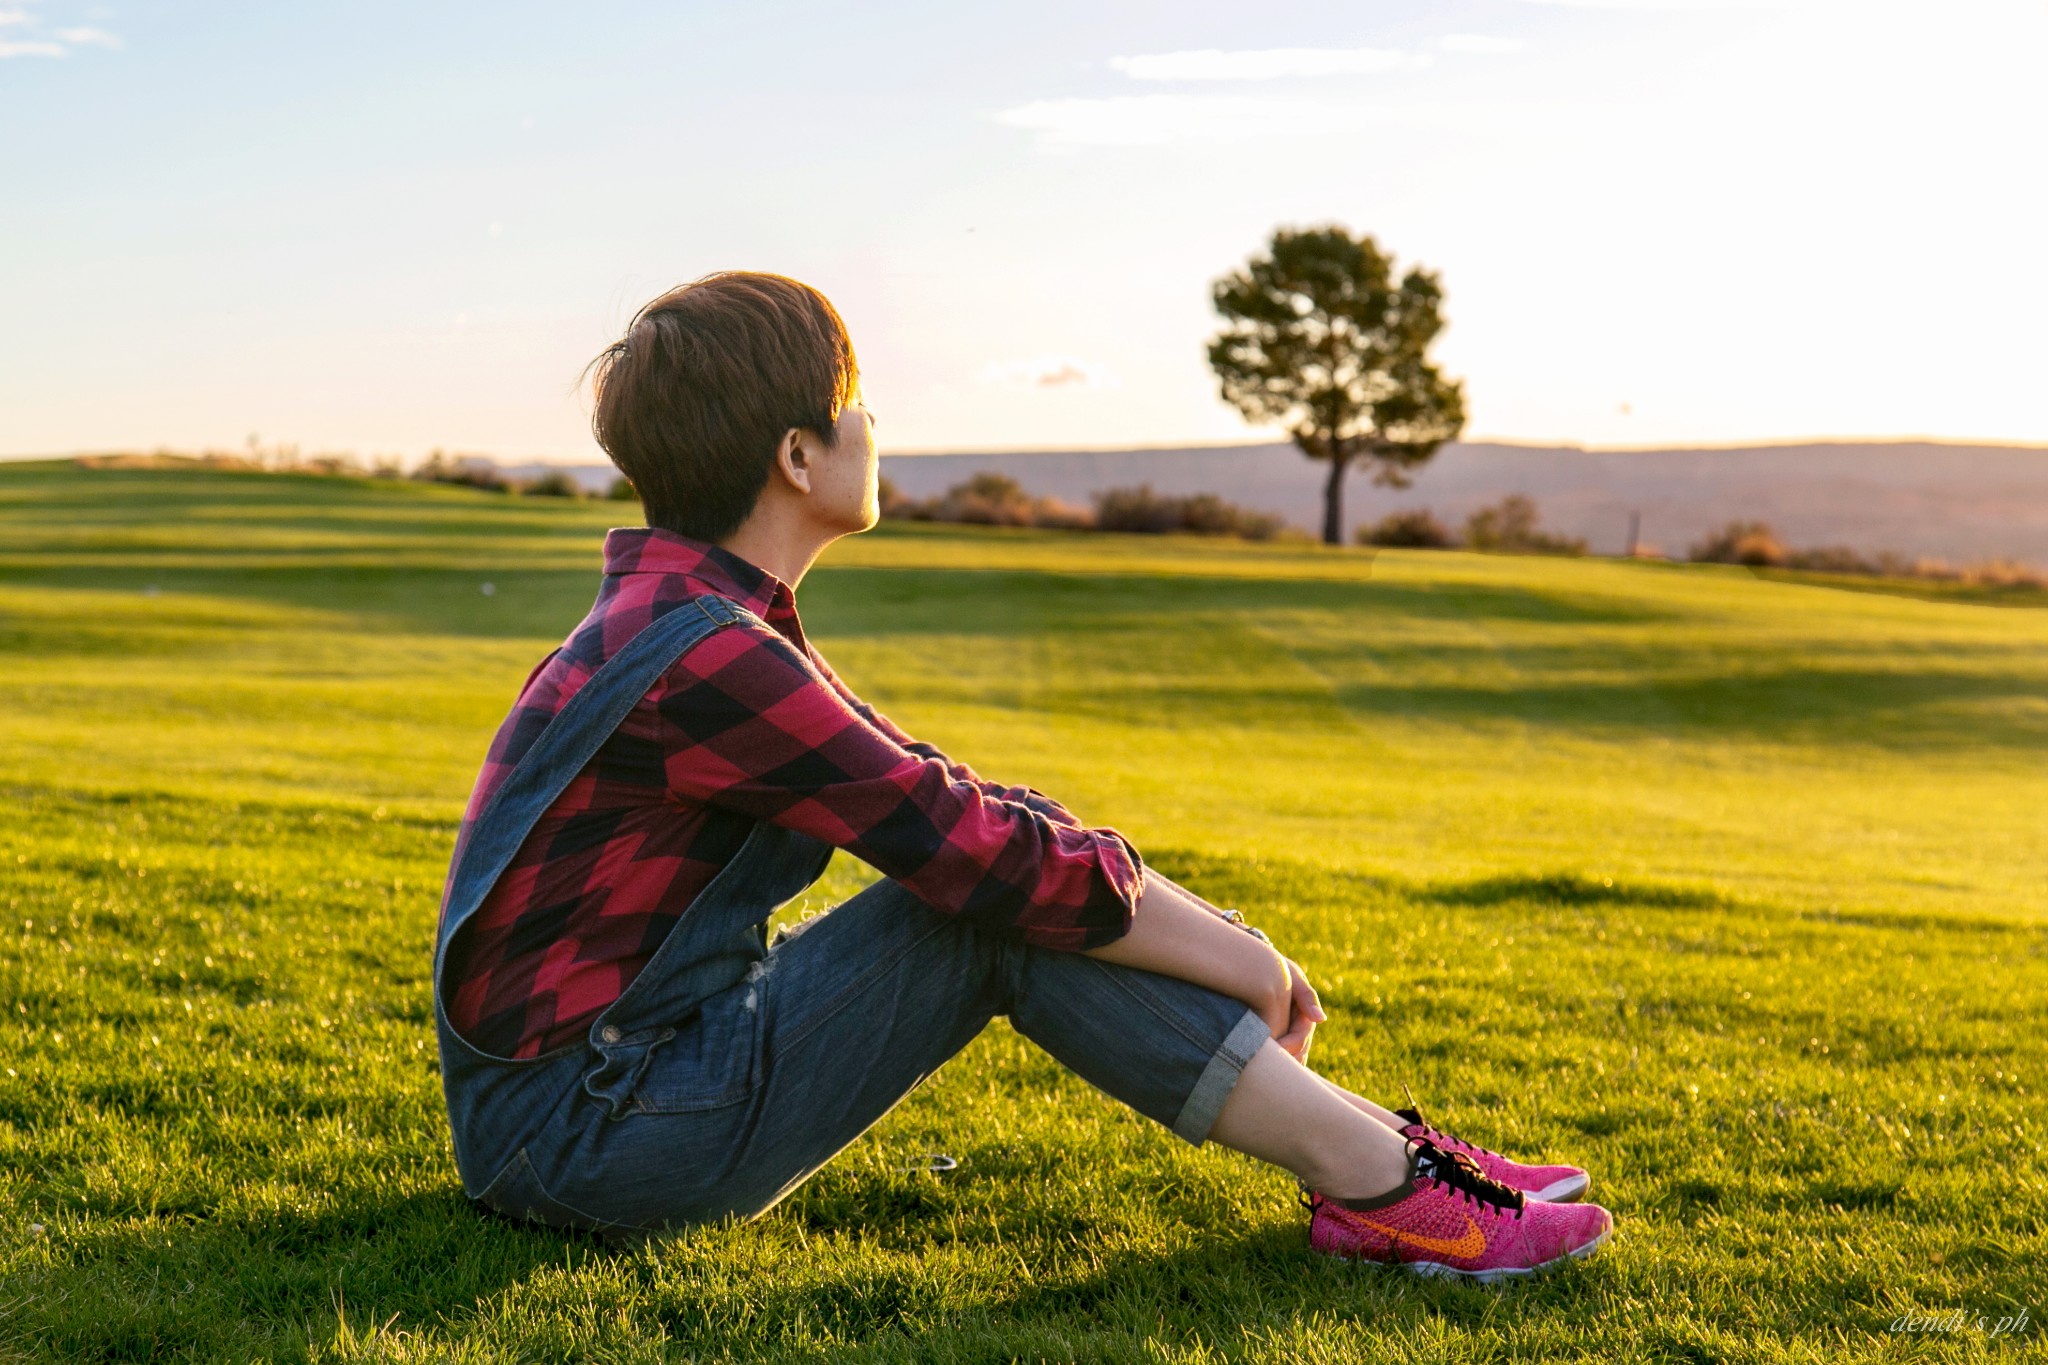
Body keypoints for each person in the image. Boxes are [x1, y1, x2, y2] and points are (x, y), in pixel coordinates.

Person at [432, 271, 1613, 1279]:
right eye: (852, 404)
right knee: (983, 915)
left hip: (593, 1094)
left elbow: (958, 801)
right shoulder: (707, 653)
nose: (872, 424)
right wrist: (1243, 960)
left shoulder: (696, 617)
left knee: (1006, 867)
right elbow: (976, 860)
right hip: (584, 1133)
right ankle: (1386, 1190)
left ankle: (1385, 1162)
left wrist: (1223, 936)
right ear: (797, 455)